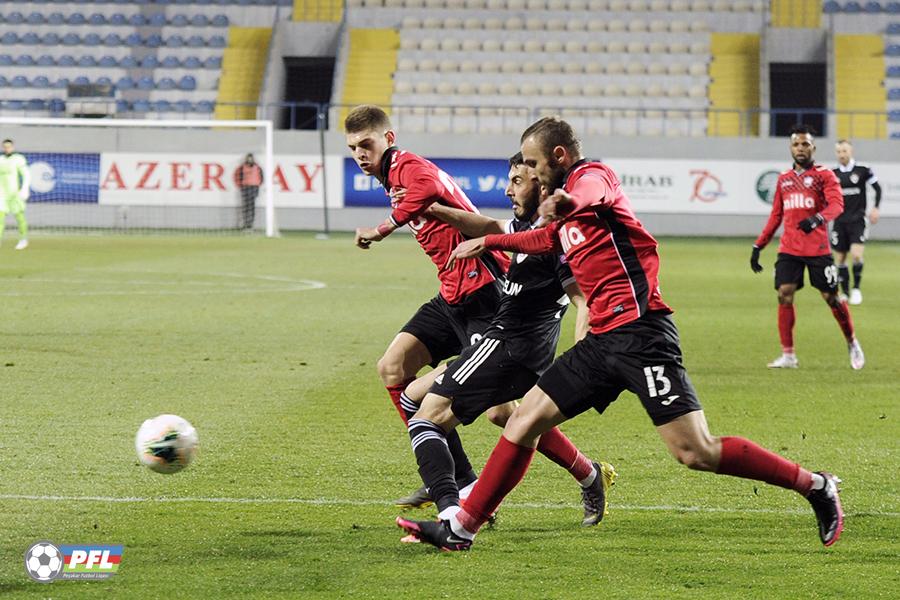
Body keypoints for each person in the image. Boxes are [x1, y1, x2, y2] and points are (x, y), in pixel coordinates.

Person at [397, 116, 844, 551]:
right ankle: (463, 528)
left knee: (695, 452)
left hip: (641, 333)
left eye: (532, 165)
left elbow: (589, 196)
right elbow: (543, 241)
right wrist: (492, 241)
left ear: (558, 155)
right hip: (601, 340)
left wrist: (567, 205)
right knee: (522, 420)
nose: (528, 173)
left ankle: (815, 485)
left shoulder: (593, 176)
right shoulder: (559, 208)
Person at [398, 153, 615, 532]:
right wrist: (439, 212)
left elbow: (582, 299)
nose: (508, 188)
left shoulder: (556, 238)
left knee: (424, 417)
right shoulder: (524, 225)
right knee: (497, 415)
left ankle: (452, 510)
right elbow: (487, 223)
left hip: (511, 347)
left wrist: (583, 356)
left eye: (517, 180)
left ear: (542, 183)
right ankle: (587, 474)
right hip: (512, 346)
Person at [346, 105, 510, 508]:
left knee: (502, 412)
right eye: (352, 148)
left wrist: (381, 230)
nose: (360, 154)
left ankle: (587, 471)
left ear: (388, 138)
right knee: (392, 367)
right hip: (452, 293)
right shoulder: (390, 176)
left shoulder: (408, 166)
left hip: (484, 290)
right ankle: (452, 478)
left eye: (366, 144)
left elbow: (423, 193)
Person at [750, 125, 863, 370]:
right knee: (784, 293)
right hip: (789, 248)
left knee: (831, 297)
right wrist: (759, 245)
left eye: (805, 144)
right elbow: (776, 216)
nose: (800, 148)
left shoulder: (825, 176)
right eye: (796, 144)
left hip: (818, 249)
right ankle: (788, 355)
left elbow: (837, 206)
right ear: (791, 148)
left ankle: (852, 341)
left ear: (813, 147)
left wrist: (818, 219)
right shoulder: (783, 179)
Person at [832, 139, 881, 305]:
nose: (841, 155)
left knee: (856, 255)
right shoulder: (832, 174)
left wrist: (876, 208)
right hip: (839, 221)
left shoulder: (863, 170)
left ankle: (856, 289)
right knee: (840, 259)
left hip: (857, 220)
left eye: (844, 151)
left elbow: (878, 188)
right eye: (839, 152)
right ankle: (844, 292)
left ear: (851, 152)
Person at [0, 139, 30, 249]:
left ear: (12, 147)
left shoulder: (18, 159)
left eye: (9, 146)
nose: (7, 148)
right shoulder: (1, 160)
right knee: (0, 218)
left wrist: (25, 188)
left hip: (14, 194)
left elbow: (26, 174)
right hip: (2, 194)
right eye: (5, 146)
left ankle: (23, 239)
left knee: (19, 217)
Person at [236, 153, 263, 230]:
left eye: (251, 158)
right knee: (245, 207)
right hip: (246, 188)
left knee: (252, 207)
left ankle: (251, 224)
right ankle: (245, 224)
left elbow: (261, 178)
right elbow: (240, 177)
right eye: (248, 158)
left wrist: (256, 186)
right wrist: (243, 186)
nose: (249, 160)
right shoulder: (243, 167)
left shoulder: (257, 167)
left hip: (254, 188)